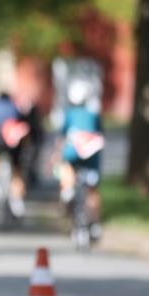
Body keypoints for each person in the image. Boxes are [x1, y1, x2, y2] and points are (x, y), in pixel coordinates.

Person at [56, 78, 104, 239]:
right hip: (91, 156)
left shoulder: (69, 115)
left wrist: (56, 154)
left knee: (67, 168)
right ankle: (95, 222)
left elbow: (62, 137)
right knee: (92, 190)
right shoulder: (94, 115)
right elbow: (99, 135)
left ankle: (67, 190)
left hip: (72, 154)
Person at [0, 89, 32, 218]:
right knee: (17, 170)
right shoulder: (16, 106)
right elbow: (24, 127)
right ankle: (18, 200)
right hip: (15, 141)